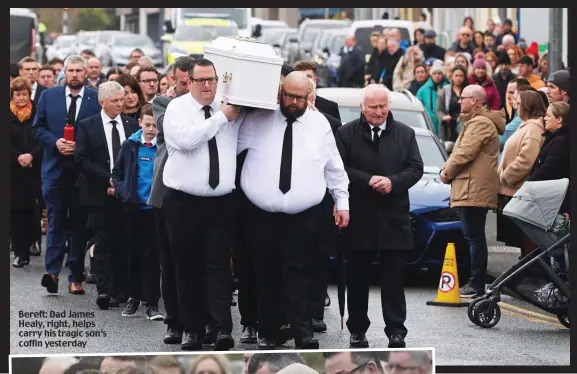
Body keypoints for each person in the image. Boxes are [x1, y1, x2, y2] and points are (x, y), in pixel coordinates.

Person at [237, 71, 349, 350]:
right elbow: (229, 149)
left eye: (300, 97)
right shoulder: (258, 120)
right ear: (280, 92)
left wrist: (342, 201)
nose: (294, 102)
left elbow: (334, 167)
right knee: (266, 273)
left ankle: (303, 332)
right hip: (261, 213)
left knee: (299, 274)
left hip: (304, 215)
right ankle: (267, 332)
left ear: (310, 96)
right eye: (289, 95)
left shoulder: (320, 123)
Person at [162, 58, 242, 351]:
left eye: (212, 79)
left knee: (219, 266)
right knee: (187, 266)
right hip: (183, 201)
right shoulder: (178, 108)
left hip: (221, 201)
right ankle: (191, 329)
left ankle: (221, 327)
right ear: (189, 82)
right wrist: (221, 118)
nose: (208, 85)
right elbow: (187, 140)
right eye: (201, 80)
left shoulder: (230, 107)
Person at [336, 84, 424, 348]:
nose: (378, 112)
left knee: (394, 281)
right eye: (373, 107)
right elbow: (339, 168)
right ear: (362, 107)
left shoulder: (406, 134)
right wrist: (367, 179)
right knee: (358, 279)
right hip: (359, 218)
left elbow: (416, 168)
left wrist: (393, 182)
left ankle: (396, 331)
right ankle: (357, 330)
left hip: (393, 218)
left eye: (383, 106)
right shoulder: (345, 133)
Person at [33, 55, 101, 295]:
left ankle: (75, 277)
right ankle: (52, 272)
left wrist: (80, 146)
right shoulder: (48, 96)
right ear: (63, 72)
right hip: (54, 169)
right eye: (70, 70)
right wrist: (55, 142)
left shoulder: (94, 98)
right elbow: (37, 128)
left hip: (82, 172)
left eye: (78, 71)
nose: (74, 74)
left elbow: (98, 133)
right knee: (56, 220)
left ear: (85, 74)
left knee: (79, 224)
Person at [75, 81, 140, 309]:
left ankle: (122, 290)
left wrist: (122, 183)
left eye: (121, 100)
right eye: (115, 101)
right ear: (102, 102)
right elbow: (82, 159)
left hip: (125, 195)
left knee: (125, 241)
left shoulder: (132, 126)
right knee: (102, 243)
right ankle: (105, 290)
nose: (120, 104)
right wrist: (108, 179)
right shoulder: (87, 126)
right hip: (98, 193)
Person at [148, 56, 195, 345]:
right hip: (167, 192)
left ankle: (199, 321)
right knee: (171, 260)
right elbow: (177, 133)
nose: (188, 88)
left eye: (194, 82)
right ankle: (175, 322)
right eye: (182, 83)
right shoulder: (164, 103)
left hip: (200, 195)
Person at [440, 85, 504, 297]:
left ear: (475, 101)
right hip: (470, 187)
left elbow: (464, 154)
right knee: (473, 236)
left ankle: (477, 284)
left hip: (473, 189)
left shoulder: (481, 124)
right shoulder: (474, 122)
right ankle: (475, 281)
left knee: (475, 237)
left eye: (463, 98)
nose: (459, 101)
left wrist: (446, 173)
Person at [111, 103, 164, 320]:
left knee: (152, 256)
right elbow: (117, 173)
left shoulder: (163, 146)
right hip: (133, 208)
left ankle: (152, 303)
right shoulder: (130, 145)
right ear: (140, 122)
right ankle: (134, 297)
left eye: (155, 125)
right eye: (147, 124)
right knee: (134, 254)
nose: (151, 129)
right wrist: (124, 192)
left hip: (155, 209)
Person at [497, 90, 547, 258]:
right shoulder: (527, 125)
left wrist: (506, 177)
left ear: (526, 106)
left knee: (524, 239)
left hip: (517, 188)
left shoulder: (533, 128)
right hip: (514, 188)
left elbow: (526, 159)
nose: (516, 106)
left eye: (518, 103)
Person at [10, 77, 43, 268]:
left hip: (34, 169)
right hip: (13, 170)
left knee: (34, 209)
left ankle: (33, 242)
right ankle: (20, 253)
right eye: (17, 95)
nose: (21, 98)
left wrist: (32, 156)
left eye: (24, 94)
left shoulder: (37, 113)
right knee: (15, 213)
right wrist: (17, 157)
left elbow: (41, 138)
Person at [529, 102, 570, 215]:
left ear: (559, 119)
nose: (544, 118)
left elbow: (549, 170)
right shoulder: (556, 138)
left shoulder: (561, 141)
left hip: (552, 200)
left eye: (548, 115)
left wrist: (528, 185)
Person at [436, 65, 469, 142]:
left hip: (464, 125)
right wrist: (443, 117)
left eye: (461, 76)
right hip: (448, 127)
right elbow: (439, 110)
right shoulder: (445, 90)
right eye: (456, 76)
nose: (458, 78)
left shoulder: (468, 90)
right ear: (452, 77)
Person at [416, 63, 449, 137]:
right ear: (431, 75)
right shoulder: (423, 90)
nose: (437, 76)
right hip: (429, 123)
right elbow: (418, 108)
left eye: (439, 73)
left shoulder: (448, 88)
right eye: (434, 73)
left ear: (443, 75)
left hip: (445, 123)